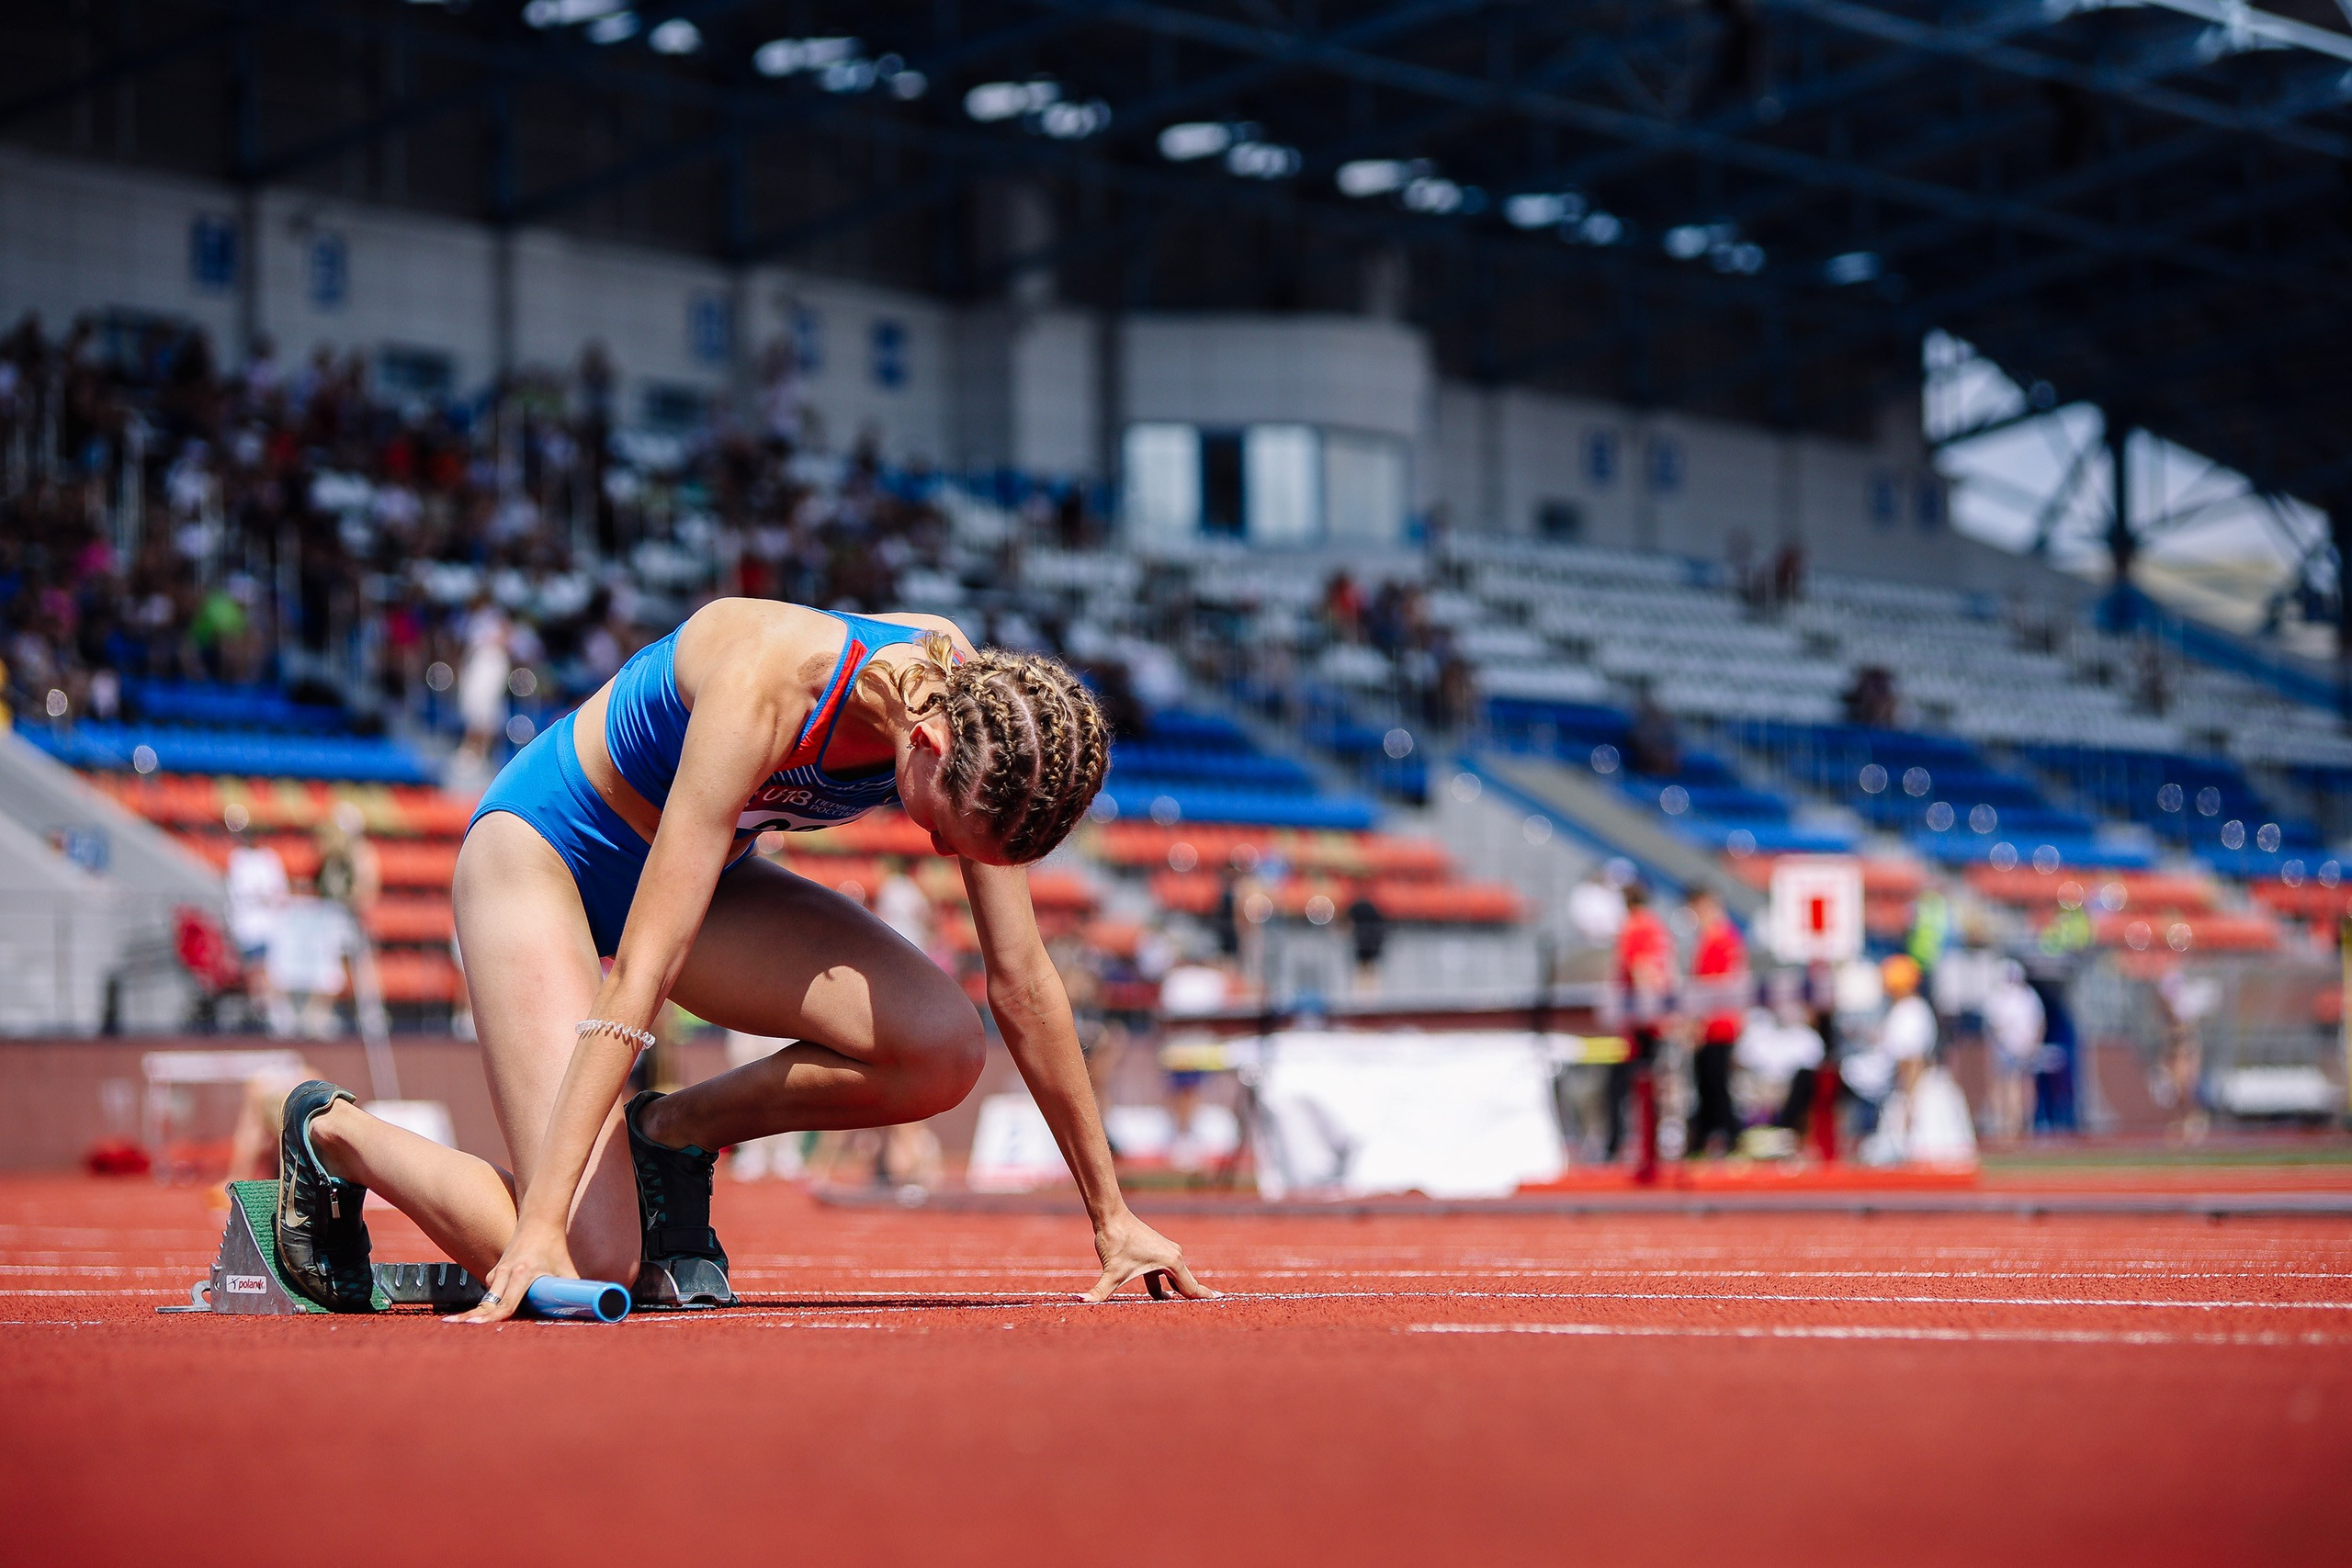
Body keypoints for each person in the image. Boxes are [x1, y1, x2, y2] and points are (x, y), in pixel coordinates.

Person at [264, 599, 1211, 1319]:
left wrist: (1109, 1214)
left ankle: (668, 1135)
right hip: (543, 857)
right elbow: (641, 977)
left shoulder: (972, 707)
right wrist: (539, 1225)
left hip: (698, 875)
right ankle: (329, 1132)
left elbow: (1022, 980)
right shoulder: (767, 686)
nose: (947, 857)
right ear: (924, 744)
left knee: (940, 1049)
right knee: (588, 1268)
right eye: (952, 835)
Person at [1607, 882, 1674, 1171]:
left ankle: (1620, 1145)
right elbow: (1666, 970)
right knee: (1646, 1083)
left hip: (1639, 1021)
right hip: (1653, 1018)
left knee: (1621, 1086)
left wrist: (1646, 1011)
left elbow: (1642, 968)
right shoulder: (1658, 927)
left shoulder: (1634, 928)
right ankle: (1647, 1143)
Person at [1682, 888, 1747, 1159]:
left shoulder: (1717, 939)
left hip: (1716, 1024)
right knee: (1709, 1083)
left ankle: (1728, 1136)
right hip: (1720, 1021)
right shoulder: (1725, 938)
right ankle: (1707, 1136)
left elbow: (1712, 987)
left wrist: (1697, 1024)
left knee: (1714, 1084)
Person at [1983, 959, 2046, 1142]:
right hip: (2015, 1048)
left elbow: (1996, 1026)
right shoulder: (2024, 996)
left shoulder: (2018, 996)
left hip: (2013, 1049)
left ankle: (2013, 1126)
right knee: (2014, 1087)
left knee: (2015, 1088)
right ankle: (2012, 1126)